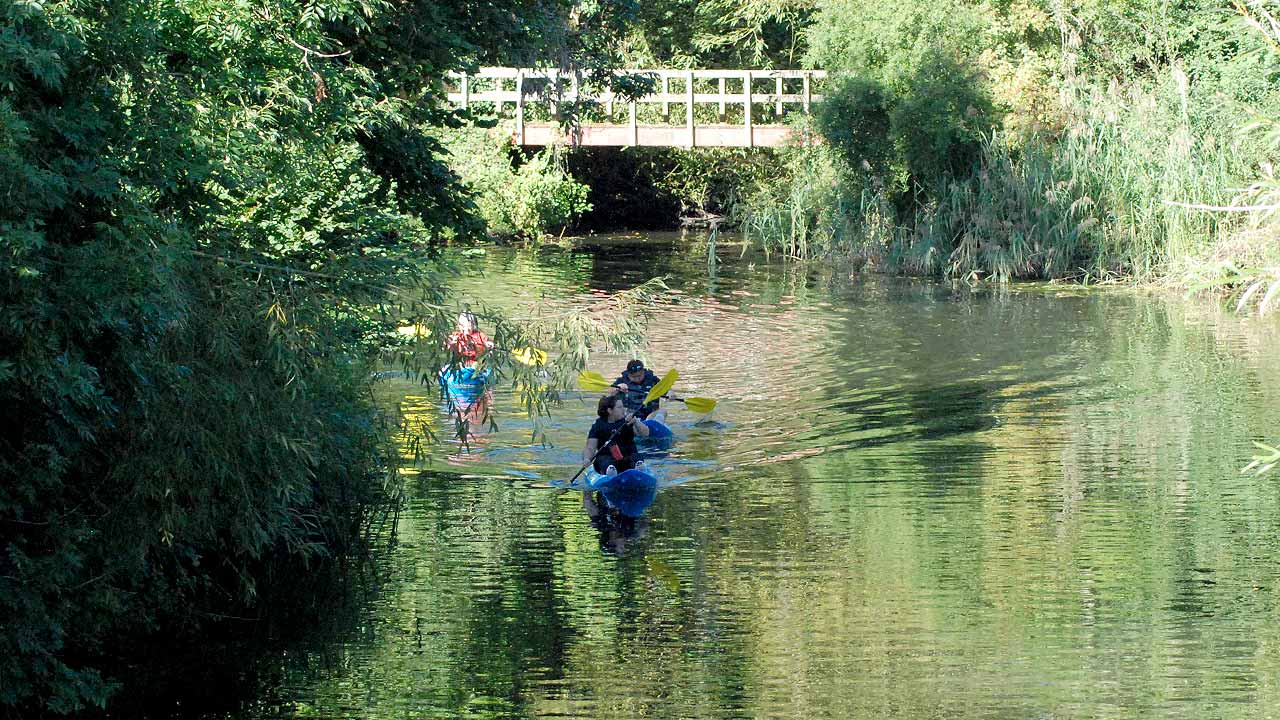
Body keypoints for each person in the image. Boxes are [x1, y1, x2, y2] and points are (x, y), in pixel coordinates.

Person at [583, 394, 650, 476]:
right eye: (619, 407)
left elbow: (646, 433)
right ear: (610, 410)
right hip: (608, 458)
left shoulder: (628, 421)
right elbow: (590, 447)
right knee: (603, 460)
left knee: (636, 457)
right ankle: (610, 473)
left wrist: (636, 422)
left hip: (627, 457)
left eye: (623, 406)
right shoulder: (598, 425)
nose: (623, 409)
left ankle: (638, 470)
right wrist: (587, 459)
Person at [608, 359, 674, 424]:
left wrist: (670, 394)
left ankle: (654, 425)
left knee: (663, 411)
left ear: (643, 372)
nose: (637, 379)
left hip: (651, 415)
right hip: (630, 415)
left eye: (639, 376)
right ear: (628, 374)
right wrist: (618, 388)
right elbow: (611, 392)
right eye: (633, 377)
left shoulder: (653, 380)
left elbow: (667, 389)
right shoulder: (622, 380)